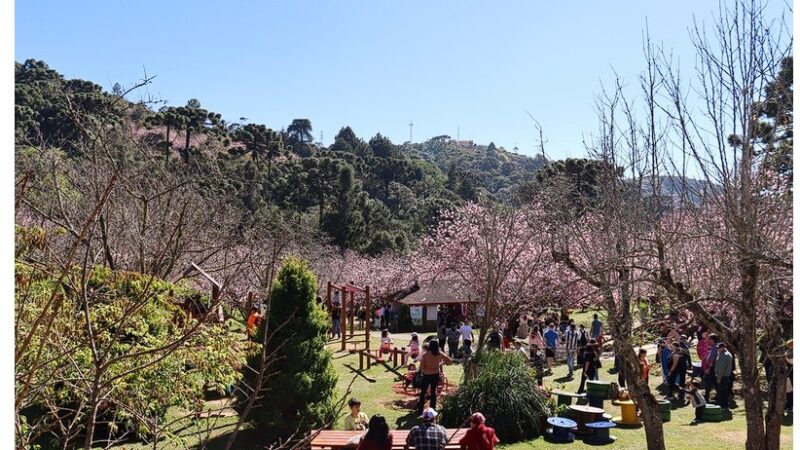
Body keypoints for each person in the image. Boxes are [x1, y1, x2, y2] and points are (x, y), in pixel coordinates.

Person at [417, 340, 452, 414]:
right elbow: (449, 361)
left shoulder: (425, 355)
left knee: (423, 392)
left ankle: (420, 410)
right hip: (435, 374)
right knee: (433, 392)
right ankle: (433, 409)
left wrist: (423, 370)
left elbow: (422, 366)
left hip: (426, 375)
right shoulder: (439, 354)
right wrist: (441, 363)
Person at [715, 342, 733, 408]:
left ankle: (722, 405)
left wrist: (719, 378)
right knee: (724, 391)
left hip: (722, 376)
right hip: (725, 376)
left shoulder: (723, 355)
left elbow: (721, 368)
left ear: (723, 348)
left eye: (719, 348)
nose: (717, 349)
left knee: (721, 392)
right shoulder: (727, 353)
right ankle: (724, 405)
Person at [703, 334, 720, 402]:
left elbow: (713, 359)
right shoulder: (713, 347)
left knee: (708, 383)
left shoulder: (714, 348)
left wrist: (708, 368)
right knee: (714, 383)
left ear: (712, 340)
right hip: (713, 368)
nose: (708, 340)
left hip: (711, 368)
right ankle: (718, 396)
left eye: (709, 339)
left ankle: (706, 398)